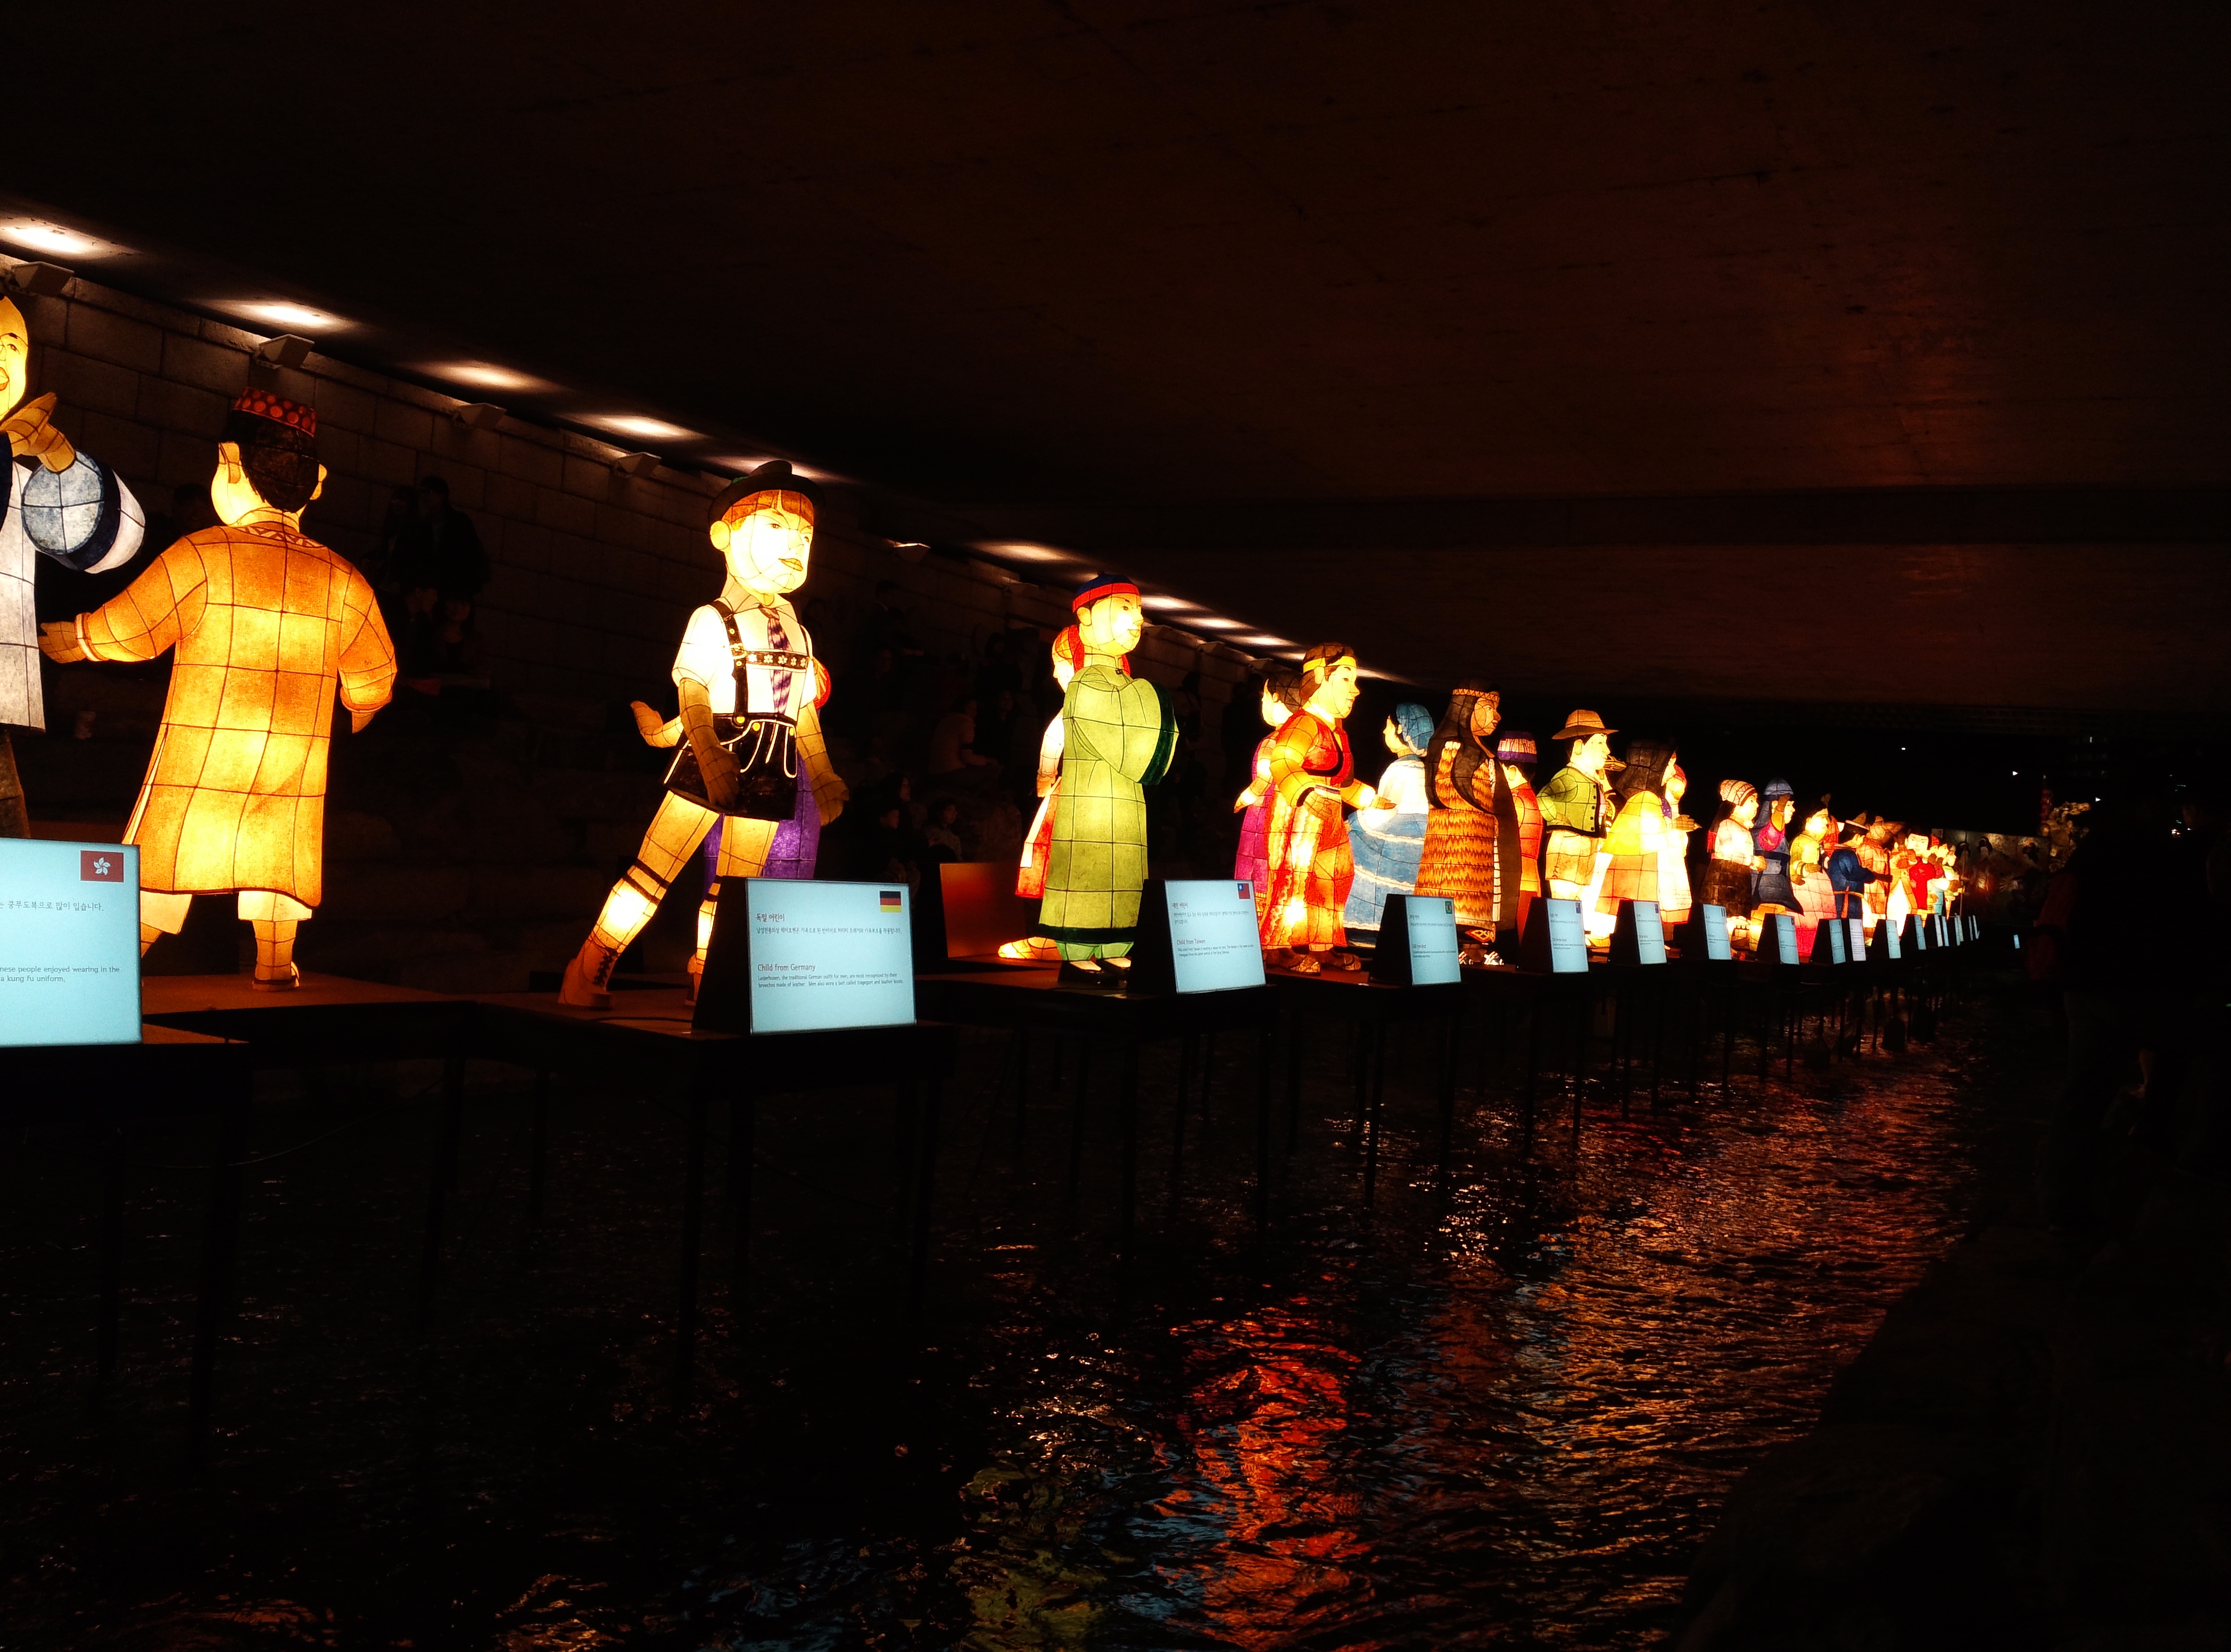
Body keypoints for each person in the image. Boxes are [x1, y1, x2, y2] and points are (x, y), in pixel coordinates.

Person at [38, 388, 394, 987]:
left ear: (230, 464)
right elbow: (375, 670)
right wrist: (364, 704)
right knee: (278, 863)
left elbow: (136, 628)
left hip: (205, 752)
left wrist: (76, 637)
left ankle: (111, 969)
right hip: (291, 762)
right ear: (318, 483)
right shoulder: (344, 580)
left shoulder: (205, 554)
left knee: (168, 860)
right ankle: (275, 967)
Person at [558, 461, 847, 1006]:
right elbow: (692, 690)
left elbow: (802, 711)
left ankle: (708, 973)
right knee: (655, 870)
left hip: (773, 765)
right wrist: (709, 751)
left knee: (732, 889)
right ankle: (593, 962)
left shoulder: (801, 634)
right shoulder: (711, 618)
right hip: (715, 749)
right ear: (723, 535)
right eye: (776, 526)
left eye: (805, 535)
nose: (795, 546)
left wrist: (824, 771)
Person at [1, 294, 146, 835]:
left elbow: (114, 546)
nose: (1, 361)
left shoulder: (20, 478)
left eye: (12, 348)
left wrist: (63, 464)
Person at [1036, 573, 1176, 981]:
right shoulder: (1085, 682)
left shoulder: (1125, 683)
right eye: (1125, 609)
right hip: (1091, 799)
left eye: (1139, 611)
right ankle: (1077, 950)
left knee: (1126, 869)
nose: (1137, 620)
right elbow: (1114, 738)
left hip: (1127, 801)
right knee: (1089, 869)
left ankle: (1116, 946)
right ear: (1086, 616)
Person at [1258, 641, 1392, 971]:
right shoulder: (1303, 724)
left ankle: (1322, 944)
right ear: (1319, 677)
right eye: (1346, 679)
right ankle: (1277, 945)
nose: (1355, 691)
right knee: (1294, 876)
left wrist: (1369, 799)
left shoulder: (1337, 732)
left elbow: (1341, 781)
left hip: (1330, 814)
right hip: (1300, 815)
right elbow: (1283, 761)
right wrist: (1304, 792)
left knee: (1335, 877)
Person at [1413, 681, 1505, 959]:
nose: (1496, 717)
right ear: (1467, 709)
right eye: (1488, 708)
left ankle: (1473, 949)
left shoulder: (1480, 748)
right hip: (1455, 837)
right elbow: (1446, 790)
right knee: (1452, 894)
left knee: (1476, 896)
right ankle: (1452, 948)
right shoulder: (1451, 745)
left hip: (1479, 839)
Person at [1343, 701, 1434, 937]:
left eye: (1388, 726)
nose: (1385, 731)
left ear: (1401, 729)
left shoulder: (1401, 769)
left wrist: (1352, 823)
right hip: (1417, 845)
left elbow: (1383, 812)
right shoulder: (1422, 769)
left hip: (1395, 843)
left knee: (1348, 851)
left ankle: (1364, 927)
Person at [1233, 667, 1305, 919]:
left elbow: (1263, 780)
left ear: (1276, 698)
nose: (1262, 703)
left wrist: (1243, 799)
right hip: (1289, 820)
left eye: (1264, 697)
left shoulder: (1273, 741)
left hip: (1262, 818)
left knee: (1255, 869)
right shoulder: (1302, 740)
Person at [1537, 709, 1622, 906]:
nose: (1607, 751)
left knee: (1579, 899)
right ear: (1578, 746)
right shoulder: (1569, 776)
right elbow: (1543, 797)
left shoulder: (1593, 779)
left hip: (1589, 845)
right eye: (1599, 743)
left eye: (1606, 743)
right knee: (1564, 897)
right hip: (1569, 845)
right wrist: (1559, 820)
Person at [1597, 739, 1678, 922]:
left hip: (1650, 864)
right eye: (1669, 765)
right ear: (1653, 766)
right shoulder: (1636, 800)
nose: (1673, 772)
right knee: (1631, 909)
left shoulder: (1654, 800)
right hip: (1635, 865)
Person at [1498, 732, 1544, 941]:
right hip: (1529, 876)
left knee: (1520, 937)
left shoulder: (1516, 801)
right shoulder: (1530, 797)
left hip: (1517, 878)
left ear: (1512, 771)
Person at [1701, 780, 1763, 939]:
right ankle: (1720, 944)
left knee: (1738, 919)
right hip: (1724, 876)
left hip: (1739, 878)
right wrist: (1752, 861)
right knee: (1724, 916)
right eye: (1752, 800)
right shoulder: (1727, 824)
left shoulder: (1742, 828)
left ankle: (1730, 944)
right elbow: (1728, 852)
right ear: (1738, 803)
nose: (1757, 805)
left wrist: (1753, 864)